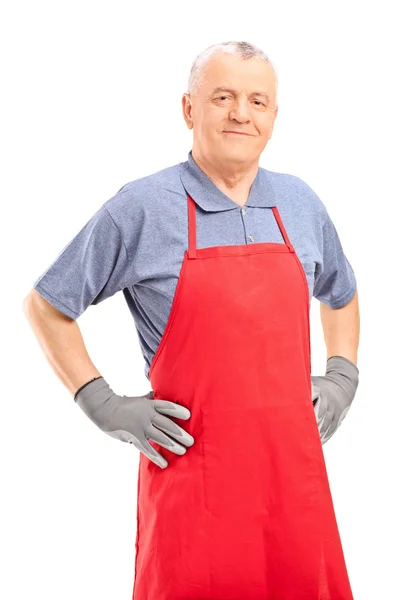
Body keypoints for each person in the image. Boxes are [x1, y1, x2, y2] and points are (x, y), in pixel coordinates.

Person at [23, 40, 360, 599]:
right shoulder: (143, 206)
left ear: (274, 116)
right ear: (188, 109)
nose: (240, 113)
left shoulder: (300, 203)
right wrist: (102, 403)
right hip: (193, 482)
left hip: (293, 487)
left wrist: (343, 373)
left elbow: (342, 295)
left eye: (257, 100)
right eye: (222, 96)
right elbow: (47, 305)